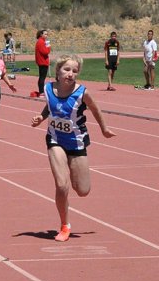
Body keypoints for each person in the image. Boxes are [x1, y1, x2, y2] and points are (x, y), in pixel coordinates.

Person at [30, 55, 116, 242]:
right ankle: (64, 225)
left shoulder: (82, 93)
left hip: (76, 142)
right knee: (62, 184)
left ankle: (74, 172)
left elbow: (95, 109)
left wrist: (104, 129)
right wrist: (41, 117)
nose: (70, 74)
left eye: (74, 71)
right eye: (66, 70)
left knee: (83, 190)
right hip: (55, 139)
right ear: (58, 72)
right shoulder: (47, 88)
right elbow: (50, 107)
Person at [32, 29, 51, 97]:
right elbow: (45, 52)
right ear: (41, 35)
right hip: (42, 62)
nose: (46, 36)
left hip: (42, 61)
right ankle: (41, 91)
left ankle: (41, 91)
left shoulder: (41, 41)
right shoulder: (41, 42)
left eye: (47, 34)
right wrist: (48, 46)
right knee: (42, 77)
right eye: (45, 34)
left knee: (42, 77)